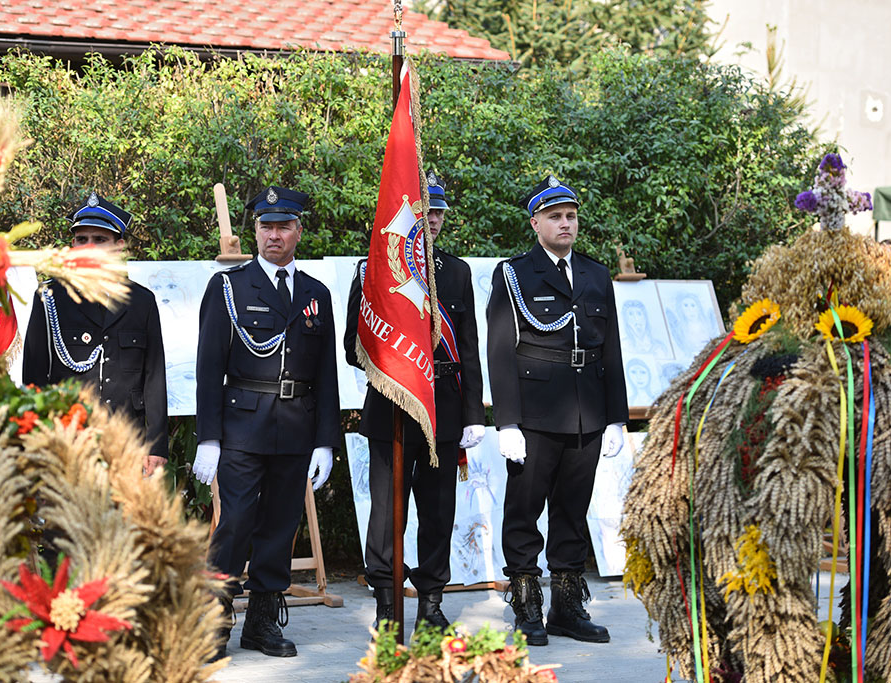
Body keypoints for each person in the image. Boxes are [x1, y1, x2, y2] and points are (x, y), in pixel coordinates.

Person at [192, 185, 340, 659]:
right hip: (241, 428)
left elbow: (326, 376)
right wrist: (208, 438)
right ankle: (214, 619)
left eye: (283, 226)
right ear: (255, 230)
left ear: (298, 230)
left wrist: (326, 442)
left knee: (280, 524)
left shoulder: (316, 294)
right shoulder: (230, 288)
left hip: (296, 425)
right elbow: (208, 366)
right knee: (234, 522)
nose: (273, 235)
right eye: (265, 226)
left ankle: (262, 621)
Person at [486, 174, 627, 646]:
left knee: (572, 511)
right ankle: (527, 605)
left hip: (586, 411)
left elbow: (611, 350)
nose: (565, 224)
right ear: (535, 223)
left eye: (570, 216)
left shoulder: (595, 274)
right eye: (555, 217)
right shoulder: (514, 274)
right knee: (524, 512)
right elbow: (501, 351)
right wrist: (506, 421)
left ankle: (568, 607)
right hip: (535, 414)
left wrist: (617, 416)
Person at [344, 170, 485, 632]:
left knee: (438, 510)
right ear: (408, 217)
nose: (433, 221)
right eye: (423, 214)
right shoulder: (373, 270)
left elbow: (468, 350)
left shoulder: (457, 271)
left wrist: (473, 415)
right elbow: (352, 346)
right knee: (388, 512)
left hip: (443, 406)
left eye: (439, 213)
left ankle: (430, 601)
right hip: (391, 405)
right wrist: (400, 358)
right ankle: (387, 600)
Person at [22, 192, 168, 474]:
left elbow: (154, 377)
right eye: (81, 239)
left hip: (128, 443)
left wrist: (157, 444)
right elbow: (35, 377)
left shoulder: (141, 301)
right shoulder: (50, 297)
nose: (89, 247)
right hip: (68, 441)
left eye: (100, 240)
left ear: (119, 246)